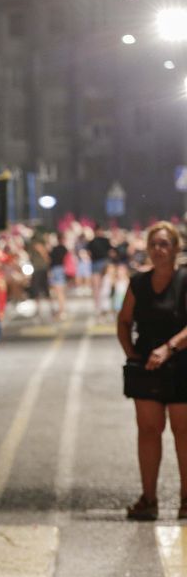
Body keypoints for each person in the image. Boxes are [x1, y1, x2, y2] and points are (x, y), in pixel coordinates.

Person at [118, 221, 187, 521]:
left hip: (181, 365)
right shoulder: (139, 283)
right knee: (148, 432)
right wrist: (132, 353)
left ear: (175, 249)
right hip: (147, 366)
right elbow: (123, 321)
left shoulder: (185, 280)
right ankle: (149, 499)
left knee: (183, 432)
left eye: (165, 244)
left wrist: (169, 347)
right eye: (154, 244)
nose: (159, 250)